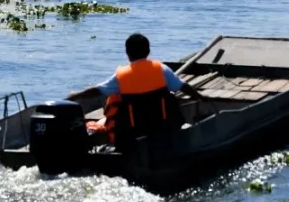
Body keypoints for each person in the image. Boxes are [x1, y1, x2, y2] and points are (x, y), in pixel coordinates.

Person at [68, 33, 207, 145]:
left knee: (114, 99)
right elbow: (183, 86)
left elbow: (97, 90)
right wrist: (200, 97)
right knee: (171, 97)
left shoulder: (121, 76)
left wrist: (75, 95)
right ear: (148, 51)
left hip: (134, 131)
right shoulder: (161, 70)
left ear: (127, 53)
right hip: (163, 127)